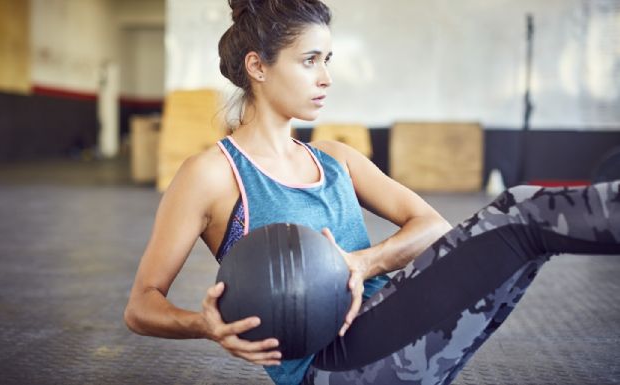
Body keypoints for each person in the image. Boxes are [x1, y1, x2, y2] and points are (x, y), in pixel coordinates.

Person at [123, 1, 620, 384]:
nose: (326, 78)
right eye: (310, 60)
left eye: (329, 59)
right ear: (258, 67)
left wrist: (362, 263)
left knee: (525, 214)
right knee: (525, 213)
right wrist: (206, 325)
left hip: (391, 326)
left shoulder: (336, 158)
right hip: (328, 364)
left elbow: (433, 229)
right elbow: (142, 305)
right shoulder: (212, 174)